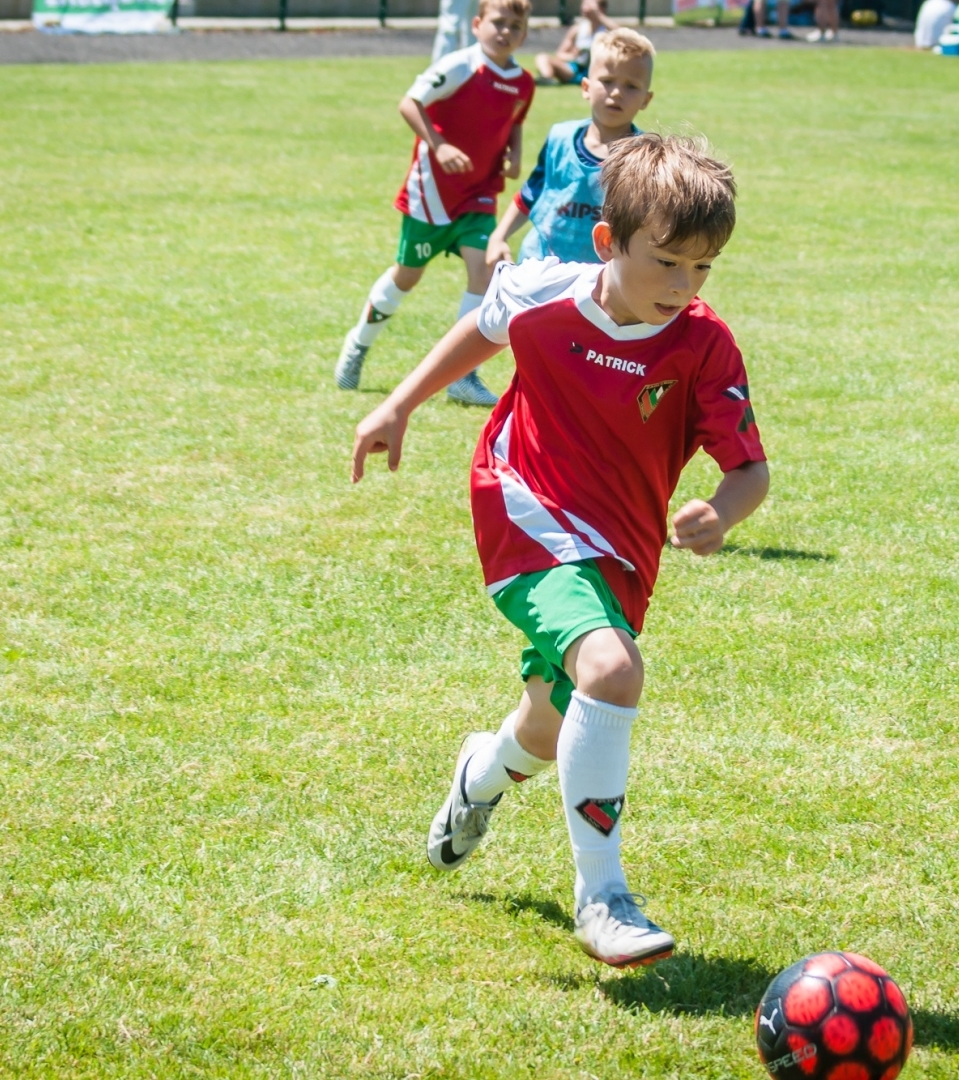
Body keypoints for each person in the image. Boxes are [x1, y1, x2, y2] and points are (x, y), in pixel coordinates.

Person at [350, 134, 770, 968]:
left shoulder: (704, 342)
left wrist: (723, 514)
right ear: (608, 244)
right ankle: (604, 897)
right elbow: (484, 324)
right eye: (668, 263)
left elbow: (750, 470)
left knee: (551, 724)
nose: (685, 287)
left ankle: (482, 771)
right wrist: (400, 404)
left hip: (620, 550)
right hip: (523, 505)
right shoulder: (546, 290)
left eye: (703, 269)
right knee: (612, 673)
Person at [335, 0, 534, 408]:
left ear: (524, 33)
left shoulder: (523, 83)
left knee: (485, 272)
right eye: (498, 22)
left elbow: (514, 123)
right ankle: (358, 344)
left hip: (479, 194)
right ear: (477, 24)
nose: (506, 31)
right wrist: (439, 146)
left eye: (516, 25)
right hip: (432, 195)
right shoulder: (460, 65)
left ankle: (462, 376)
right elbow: (410, 102)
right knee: (407, 277)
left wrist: (515, 154)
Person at [489, 29, 654, 268]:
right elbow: (530, 194)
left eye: (631, 86)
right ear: (586, 87)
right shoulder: (560, 138)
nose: (617, 92)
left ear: (646, 100)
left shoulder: (643, 158)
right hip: (540, 265)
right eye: (607, 81)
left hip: (596, 281)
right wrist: (499, 236)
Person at [536, 0, 615, 84]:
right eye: (584, 4)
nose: (584, 8)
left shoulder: (607, 30)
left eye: (589, 5)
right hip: (575, 68)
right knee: (542, 58)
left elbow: (622, 33)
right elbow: (559, 54)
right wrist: (573, 56)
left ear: (602, 8)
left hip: (598, 69)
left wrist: (598, 14)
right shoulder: (577, 29)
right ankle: (547, 80)